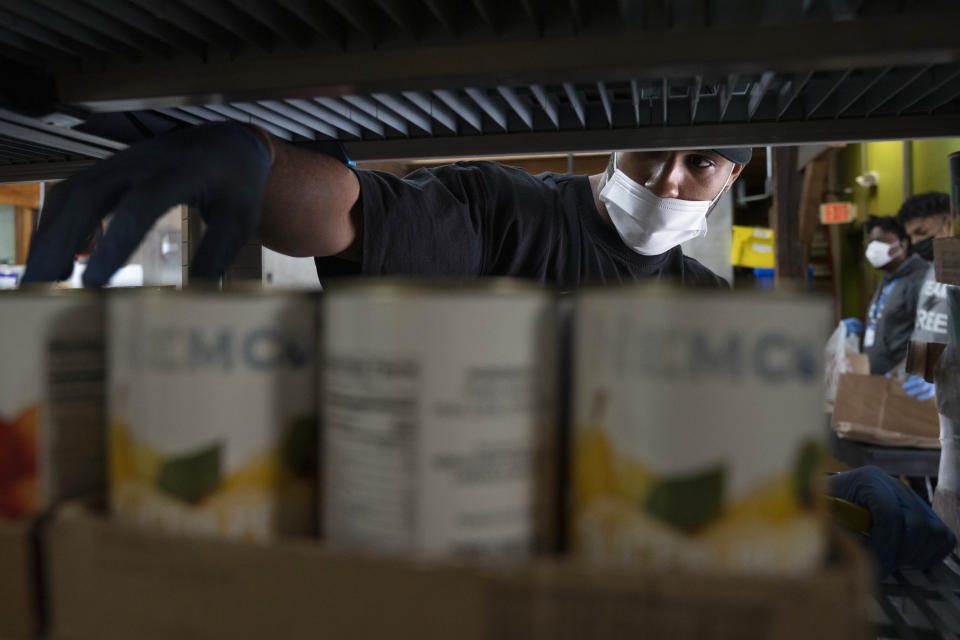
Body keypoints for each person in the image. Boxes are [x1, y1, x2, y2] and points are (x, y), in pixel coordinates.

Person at [21, 122, 954, 574]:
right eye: (650, 152)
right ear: (611, 145)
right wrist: (258, 166)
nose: (669, 178)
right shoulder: (511, 210)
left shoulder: (704, 311)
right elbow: (350, 213)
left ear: (734, 172)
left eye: (700, 162)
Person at [896, 192, 955, 401]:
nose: (915, 243)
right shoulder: (933, 266)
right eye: (911, 236)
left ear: (948, 223)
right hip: (926, 395)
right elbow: (925, 328)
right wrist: (905, 368)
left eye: (921, 232)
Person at [855, 215, 929, 375]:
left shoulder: (920, 280)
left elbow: (930, 335)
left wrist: (904, 371)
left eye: (882, 241)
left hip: (903, 384)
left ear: (903, 244)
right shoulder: (889, 277)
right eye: (872, 241)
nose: (874, 248)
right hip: (880, 380)